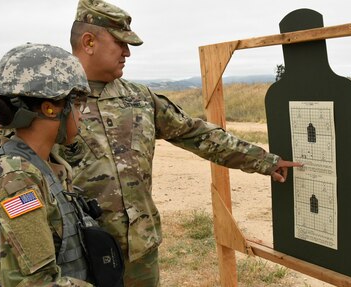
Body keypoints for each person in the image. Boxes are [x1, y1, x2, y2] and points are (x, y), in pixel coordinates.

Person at [64, 0, 303, 285]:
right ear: (89, 41)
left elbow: (197, 134)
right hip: (79, 256)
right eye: (120, 43)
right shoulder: (52, 103)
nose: (127, 52)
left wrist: (263, 160)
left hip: (140, 253)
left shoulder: (139, 99)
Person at [0, 43, 95, 287]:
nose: (82, 114)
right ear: (50, 108)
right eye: (78, 103)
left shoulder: (42, 163)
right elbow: (35, 282)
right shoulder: (14, 179)